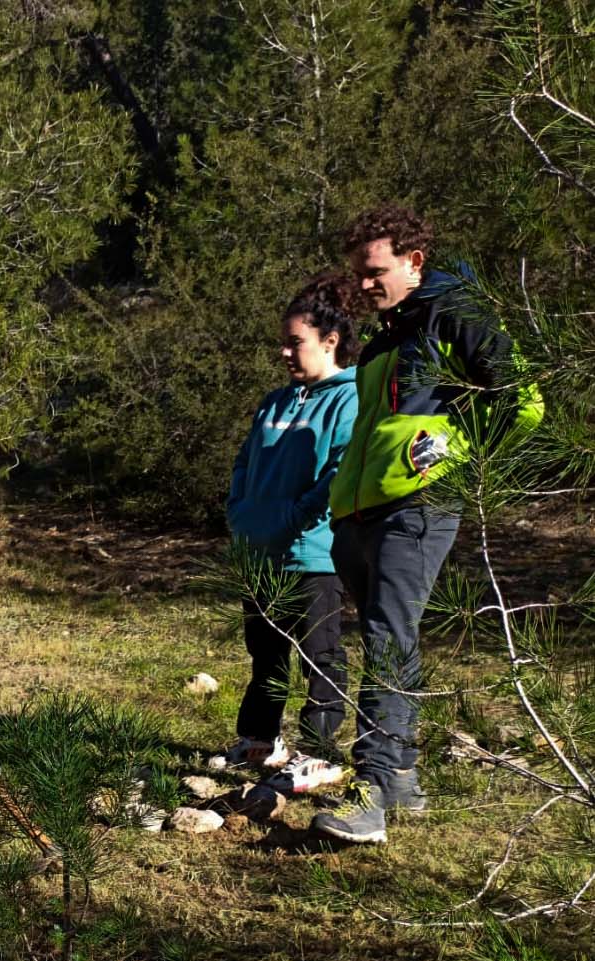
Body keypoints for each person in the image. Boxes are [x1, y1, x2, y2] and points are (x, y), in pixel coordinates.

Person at [312, 206, 544, 845]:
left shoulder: (456, 312)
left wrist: (451, 450)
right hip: (362, 510)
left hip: (418, 506)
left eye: (375, 271)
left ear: (415, 262)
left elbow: (523, 400)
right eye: (358, 274)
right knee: (391, 637)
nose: (363, 285)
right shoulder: (390, 332)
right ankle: (403, 779)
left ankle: (373, 788)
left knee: (388, 638)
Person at [222, 274, 359, 795]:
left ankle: (320, 751)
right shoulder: (276, 401)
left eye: (294, 341)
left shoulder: (349, 401)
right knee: (265, 652)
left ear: (330, 341)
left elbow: (337, 476)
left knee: (320, 655)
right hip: (256, 553)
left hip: (311, 557)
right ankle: (260, 739)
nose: (284, 351)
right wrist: (240, 509)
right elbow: (244, 460)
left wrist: (291, 520)